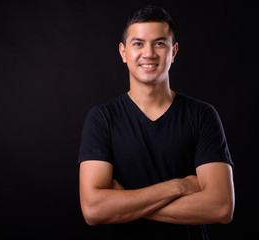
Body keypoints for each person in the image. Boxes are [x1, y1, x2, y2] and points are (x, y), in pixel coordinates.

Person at [77, 5, 234, 239]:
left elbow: (221, 207)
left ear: (174, 51)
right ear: (123, 52)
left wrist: (126, 202)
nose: (148, 53)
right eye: (138, 43)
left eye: (159, 43)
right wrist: (178, 187)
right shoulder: (102, 119)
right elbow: (94, 209)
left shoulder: (202, 115)